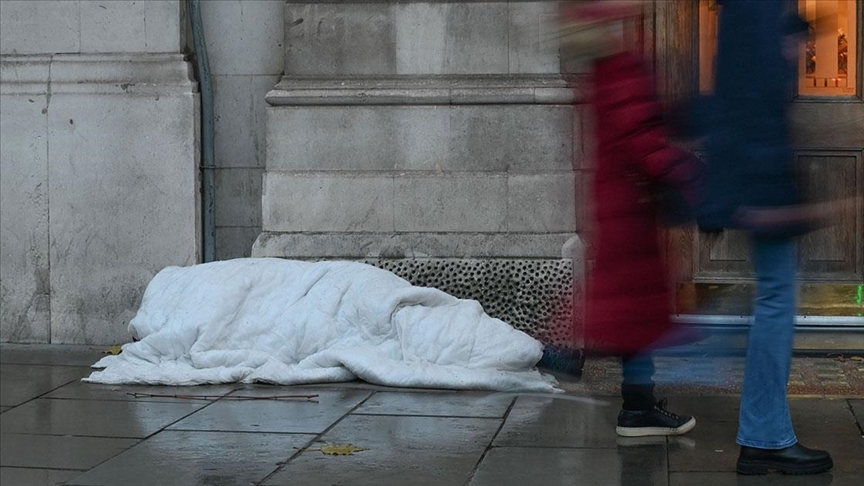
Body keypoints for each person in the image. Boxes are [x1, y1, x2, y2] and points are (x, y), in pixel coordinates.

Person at [552, 0, 701, 437]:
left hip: (619, 203)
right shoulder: (620, 66)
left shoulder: (605, 68)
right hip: (629, 208)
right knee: (635, 311)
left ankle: (634, 400)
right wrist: (689, 176)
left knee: (631, 310)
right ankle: (632, 404)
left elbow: (636, 127)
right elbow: (641, 138)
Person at [698, 0, 833, 475]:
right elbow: (751, 100)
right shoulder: (752, 9)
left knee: (772, 301)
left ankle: (764, 433)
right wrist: (767, 194)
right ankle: (764, 436)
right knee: (775, 301)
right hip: (762, 182)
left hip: (755, 178)